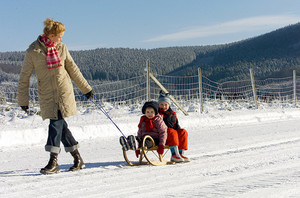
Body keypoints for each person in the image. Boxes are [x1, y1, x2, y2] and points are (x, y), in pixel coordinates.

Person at [17, 18, 93, 174]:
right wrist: (23, 100)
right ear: (51, 35)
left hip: (63, 92)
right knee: (60, 125)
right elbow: (24, 76)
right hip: (47, 94)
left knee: (55, 123)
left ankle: (53, 161)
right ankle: (77, 158)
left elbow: (73, 70)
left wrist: (87, 89)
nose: (61, 38)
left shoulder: (62, 48)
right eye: (59, 35)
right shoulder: (33, 52)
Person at [158, 91, 189, 162]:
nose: (164, 106)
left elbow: (176, 125)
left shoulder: (173, 114)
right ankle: (174, 154)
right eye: (161, 104)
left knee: (183, 132)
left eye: (166, 104)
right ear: (158, 105)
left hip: (171, 134)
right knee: (171, 131)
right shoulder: (157, 114)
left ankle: (180, 153)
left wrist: (180, 133)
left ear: (169, 105)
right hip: (162, 135)